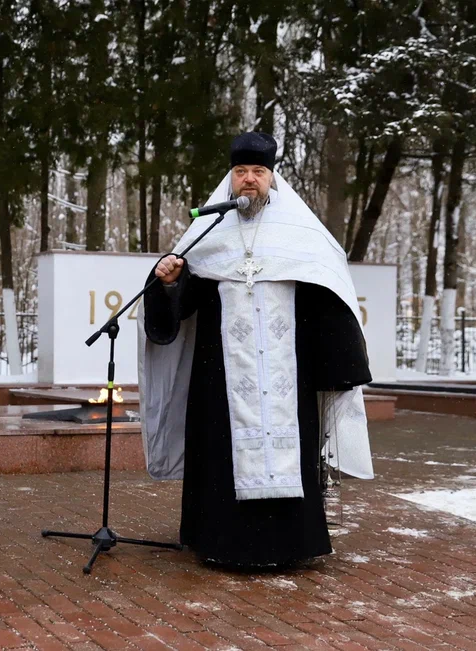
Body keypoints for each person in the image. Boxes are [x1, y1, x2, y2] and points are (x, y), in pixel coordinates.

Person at [137, 131, 373, 568]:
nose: (249, 179)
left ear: (272, 178)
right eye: (241, 171)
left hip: (288, 374)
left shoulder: (301, 235)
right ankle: (221, 544)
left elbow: (328, 292)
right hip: (220, 375)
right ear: (230, 177)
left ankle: (290, 547)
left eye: (258, 171)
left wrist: (339, 363)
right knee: (221, 454)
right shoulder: (209, 233)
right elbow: (184, 303)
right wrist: (168, 284)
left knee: (291, 449)